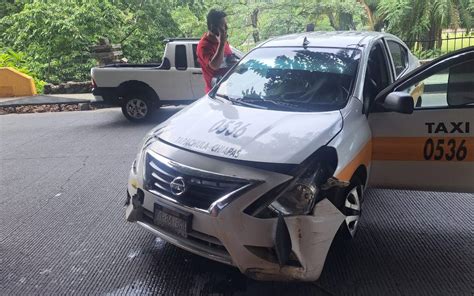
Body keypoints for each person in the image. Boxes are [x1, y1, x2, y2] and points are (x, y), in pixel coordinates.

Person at [197, 9, 234, 93]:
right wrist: (221, 43)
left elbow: (228, 59)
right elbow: (214, 65)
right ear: (213, 26)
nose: (226, 27)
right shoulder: (204, 45)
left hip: (229, 90)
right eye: (223, 25)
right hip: (216, 93)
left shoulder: (222, 41)